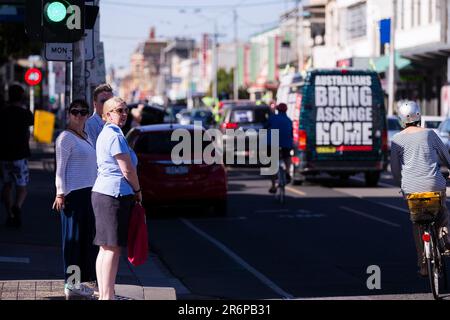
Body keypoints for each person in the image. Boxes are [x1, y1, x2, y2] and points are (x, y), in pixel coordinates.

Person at [390, 100, 450, 277]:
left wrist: (402, 184)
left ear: (402, 119)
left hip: (411, 188)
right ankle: (445, 240)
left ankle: (423, 264)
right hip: (434, 184)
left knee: (417, 223)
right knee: (442, 212)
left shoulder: (397, 139)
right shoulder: (430, 134)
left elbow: (394, 169)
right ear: (419, 116)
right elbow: (446, 157)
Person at [91, 97, 142, 300]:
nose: (123, 114)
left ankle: (106, 294)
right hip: (114, 195)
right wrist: (138, 190)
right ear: (107, 114)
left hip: (104, 193)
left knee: (105, 247)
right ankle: (107, 296)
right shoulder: (115, 136)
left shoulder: (109, 134)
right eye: (119, 110)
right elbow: (127, 169)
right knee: (112, 248)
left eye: (125, 111)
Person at [53, 100, 98, 299]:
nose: (78, 116)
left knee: (85, 242)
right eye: (74, 112)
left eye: (82, 112)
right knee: (72, 242)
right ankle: (70, 284)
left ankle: (77, 284)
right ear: (68, 114)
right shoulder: (65, 138)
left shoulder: (86, 136)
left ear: (88, 115)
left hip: (89, 194)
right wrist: (60, 193)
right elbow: (60, 169)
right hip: (73, 196)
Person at [0, 84, 33, 228]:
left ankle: (9, 213)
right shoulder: (25, 113)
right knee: (22, 186)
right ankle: (17, 206)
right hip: (20, 155)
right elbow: (29, 128)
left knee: (6, 185)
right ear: (22, 97)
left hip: (4, 155)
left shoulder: (2, 112)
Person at [267, 103, 293, 194]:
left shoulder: (273, 118)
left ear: (278, 110)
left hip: (273, 142)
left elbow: (266, 126)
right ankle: (287, 171)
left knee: (273, 164)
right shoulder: (289, 120)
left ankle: (273, 186)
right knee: (287, 156)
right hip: (286, 143)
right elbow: (291, 133)